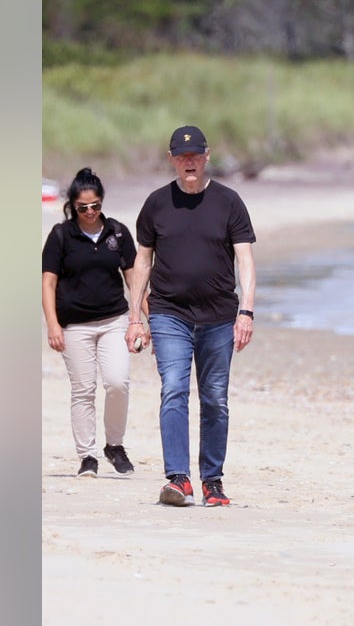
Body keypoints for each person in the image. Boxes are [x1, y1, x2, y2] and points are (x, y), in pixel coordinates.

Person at [125, 125, 257, 508]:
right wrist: (136, 317)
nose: (189, 162)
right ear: (172, 159)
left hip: (219, 315)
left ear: (207, 155)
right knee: (175, 390)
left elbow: (245, 260)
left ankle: (212, 481)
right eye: (182, 156)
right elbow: (142, 261)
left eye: (195, 155)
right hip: (169, 314)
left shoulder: (229, 202)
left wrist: (245, 311)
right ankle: (178, 479)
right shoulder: (156, 204)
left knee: (215, 398)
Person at [42, 168, 139, 478]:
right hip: (74, 326)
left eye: (95, 205)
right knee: (83, 390)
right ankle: (87, 456)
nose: (90, 212)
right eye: (83, 207)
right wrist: (53, 325)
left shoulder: (117, 232)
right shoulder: (60, 236)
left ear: (101, 202)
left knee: (117, 382)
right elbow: (48, 284)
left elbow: (134, 279)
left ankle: (115, 445)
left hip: (114, 319)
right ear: (73, 205)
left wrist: (141, 319)